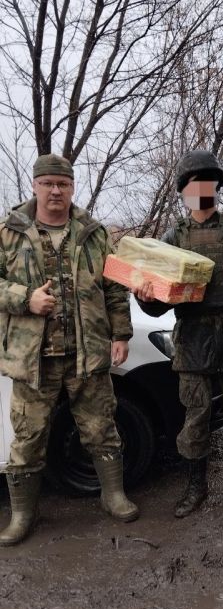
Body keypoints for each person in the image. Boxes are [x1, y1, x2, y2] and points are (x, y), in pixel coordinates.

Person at [0, 154, 137, 546]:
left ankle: (113, 495)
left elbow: (114, 287)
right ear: (35, 186)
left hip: (86, 354)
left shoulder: (94, 233)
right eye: (48, 183)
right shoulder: (9, 232)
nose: (55, 190)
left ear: (72, 187)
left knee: (101, 427)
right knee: (28, 437)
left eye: (62, 183)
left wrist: (121, 334)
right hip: (34, 358)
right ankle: (23, 514)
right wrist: (26, 298)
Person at [135, 150, 223, 518]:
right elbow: (158, 304)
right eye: (194, 184)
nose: (201, 190)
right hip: (194, 342)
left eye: (208, 183)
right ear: (183, 190)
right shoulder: (173, 238)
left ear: (217, 187)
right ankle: (196, 485)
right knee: (195, 417)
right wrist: (145, 297)